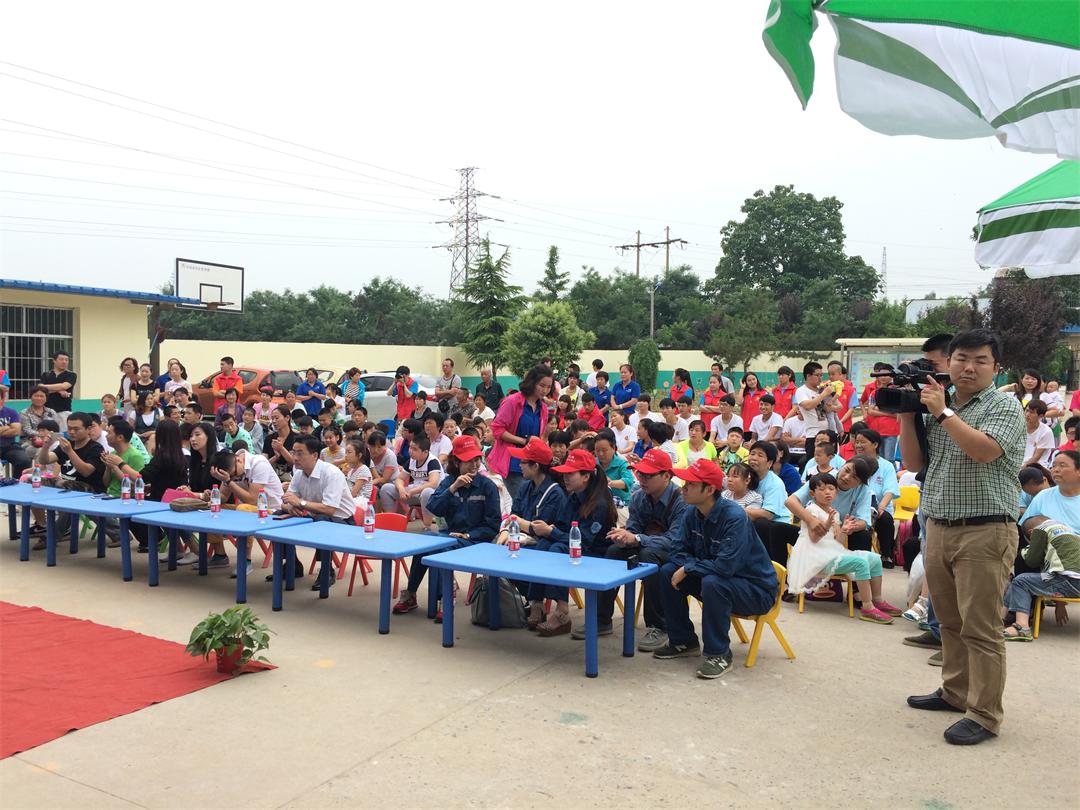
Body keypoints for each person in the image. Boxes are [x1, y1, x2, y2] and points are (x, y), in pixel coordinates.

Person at [901, 329, 1025, 746]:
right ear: (949, 362)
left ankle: (985, 714)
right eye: (961, 358)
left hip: (986, 530)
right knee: (950, 622)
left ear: (996, 367)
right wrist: (907, 414)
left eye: (980, 360)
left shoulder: (1003, 405)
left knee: (981, 628)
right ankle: (955, 692)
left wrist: (941, 413)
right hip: (939, 526)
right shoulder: (940, 403)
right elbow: (914, 462)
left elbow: (984, 451)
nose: (969, 367)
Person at [653, 459, 778, 679]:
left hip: (755, 590)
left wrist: (689, 567)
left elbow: (725, 566)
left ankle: (719, 654)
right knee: (667, 572)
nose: (683, 488)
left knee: (714, 582)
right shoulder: (692, 512)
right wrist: (688, 566)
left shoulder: (734, 517)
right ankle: (683, 641)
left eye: (691, 484)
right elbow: (676, 550)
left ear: (710, 489)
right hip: (716, 577)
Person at [394, 435, 501, 618]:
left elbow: (493, 525)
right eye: (469, 461)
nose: (475, 465)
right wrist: (453, 488)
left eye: (477, 459)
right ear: (457, 462)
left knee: (439, 548)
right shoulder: (450, 481)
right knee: (425, 543)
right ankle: (411, 593)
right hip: (450, 536)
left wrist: (469, 535)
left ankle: (445, 597)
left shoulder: (487, 486)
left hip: (476, 540)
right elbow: (434, 507)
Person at [600, 448, 688, 650]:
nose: (642, 479)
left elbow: (675, 540)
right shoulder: (639, 496)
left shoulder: (681, 501)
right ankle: (601, 619)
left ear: (666, 476)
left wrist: (637, 538)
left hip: (675, 553)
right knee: (614, 551)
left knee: (649, 557)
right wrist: (624, 537)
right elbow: (634, 527)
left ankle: (659, 625)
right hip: (645, 545)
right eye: (640, 474)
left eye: (649, 475)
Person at [785, 473, 902, 623]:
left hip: (830, 553)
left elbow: (837, 543)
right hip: (814, 558)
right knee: (860, 563)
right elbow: (814, 539)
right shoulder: (812, 510)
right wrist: (827, 524)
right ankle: (867, 607)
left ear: (836, 492)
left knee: (875, 559)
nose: (827, 492)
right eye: (822, 489)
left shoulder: (834, 513)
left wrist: (844, 530)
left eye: (831, 488)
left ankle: (877, 600)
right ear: (812, 494)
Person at [526, 449, 617, 636]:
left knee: (557, 550)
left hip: (596, 553)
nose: (565, 477)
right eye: (564, 473)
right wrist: (548, 530)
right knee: (541, 546)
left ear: (585, 477)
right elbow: (562, 525)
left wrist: (551, 531)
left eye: (570, 473)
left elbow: (583, 542)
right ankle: (536, 602)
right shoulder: (573, 496)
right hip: (574, 546)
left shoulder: (599, 504)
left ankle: (562, 611)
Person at [282, 436, 358, 587]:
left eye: (300, 453)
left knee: (321, 520)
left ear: (315, 455)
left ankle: (327, 570)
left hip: (343, 522)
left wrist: (300, 503)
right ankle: (292, 564)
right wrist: (291, 507)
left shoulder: (331, 473)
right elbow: (286, 501)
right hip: (314, 517)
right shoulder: (299, 473)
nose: (295, 457)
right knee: (280, 516)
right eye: (293, 452)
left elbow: (329, 509)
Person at [1001, 520, 1080, 641]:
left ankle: (1021, 627)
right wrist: (1060, 604)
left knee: (1021, 581)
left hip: (1071, 582)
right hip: (1072, 581)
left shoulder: (1040, 529)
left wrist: (1028, 549)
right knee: (1019, 581)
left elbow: (1032, 561)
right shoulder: (1068, 530)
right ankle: (999, 619)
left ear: (1031, 532)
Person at [488, 364, 553, 499]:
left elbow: (539, 436)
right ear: (532, 382)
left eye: (548, 387)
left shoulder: (543, 408)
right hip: (512, 462)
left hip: (532, 463)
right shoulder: (512, 401)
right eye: (542, 385)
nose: (545, 390)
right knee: (522, 503)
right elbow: (497, 430)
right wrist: (524, 441)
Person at [854, 429, 901, 568]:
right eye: (857, 442)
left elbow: (890, 490)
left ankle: (886, 555)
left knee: (884, 518)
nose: (858, 445)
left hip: (879, 506)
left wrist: (880, 507)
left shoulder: (886, 466)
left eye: (862, 442)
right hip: (857, 507)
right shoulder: (852, 464)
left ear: (875, 444)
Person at [384, 433, 443, 530]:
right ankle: (390, 521)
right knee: (386, 488)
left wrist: (412, 491)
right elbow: (399, 479)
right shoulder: (412, 460)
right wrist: (401, 489)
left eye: (415, 449)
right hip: (414, 493)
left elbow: (433, 484)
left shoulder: (433, 462)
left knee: (427, 491)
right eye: (410, 447)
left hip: (433, 496)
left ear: (425, 452)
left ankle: (427, 526)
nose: (410, 451)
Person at [794, 362, 837, 457]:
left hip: (828, 433)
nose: (820, 378)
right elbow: (808, 405)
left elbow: (837, 407)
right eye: (817, 375)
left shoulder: (821, 389)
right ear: (808, 376)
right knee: (814, 462)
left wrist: (831, 405)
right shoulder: (801, 390)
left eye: (821, 375)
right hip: (813, 435)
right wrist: (824, 394)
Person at [861, 363, 901, 463]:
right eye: (881, 375)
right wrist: (889, 413)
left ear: (891, 376)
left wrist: (878, 409)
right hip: (876, 430)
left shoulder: (897, 391)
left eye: (886, 375)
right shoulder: (874, 392)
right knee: (879, 458)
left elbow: (897, 411)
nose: (883, 377)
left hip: (891, 431)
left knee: (889, 459)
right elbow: (870, 411)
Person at [594, 428, 633, 521]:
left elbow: (628, 481)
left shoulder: (622, 463)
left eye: (604, 450)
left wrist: (610, 483)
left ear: (614, 448)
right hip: (598, 504)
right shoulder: (593, 464)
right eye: (597, 450)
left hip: (620, 506)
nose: (600, 454)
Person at [39, 350, 76, 430]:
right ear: (54, 360)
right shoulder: (46, 375)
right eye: (61, 359)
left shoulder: (71, 375)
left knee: (64, 434)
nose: (64, 362)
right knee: (47, 434)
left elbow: (64, 386)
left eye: (66, 360)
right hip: (47, 411)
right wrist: (59, 390)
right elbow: (40, 389)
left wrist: (47, 388)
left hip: (64, 411)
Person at [263, 404, 298, 479]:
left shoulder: (297, 439)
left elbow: (295, 463)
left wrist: (281, 448)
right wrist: (276, 457)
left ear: (287, 418)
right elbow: (263, 464)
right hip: (272, 477)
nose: (274, 421)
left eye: (277, 418)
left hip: (293, 478)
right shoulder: (269, 439)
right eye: (272, 418)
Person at [0, 392, 30, 477]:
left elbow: (16, 431)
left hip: (9, 446)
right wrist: (7, 427)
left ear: (2, 399)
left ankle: (17, 481)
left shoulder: (11, 412)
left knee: (24, 461)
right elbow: (13, 429)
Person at [826, 361, 859, 433]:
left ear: (842, 374)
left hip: (844, 427)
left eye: (833, 374)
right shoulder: (826, 388)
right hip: (827, 428)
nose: (831, 376)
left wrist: (839, 422)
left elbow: (851, 409)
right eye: (829, 374)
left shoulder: (851, 390)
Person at [1022, 399, 1055, 467]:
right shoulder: (1019, 426)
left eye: (1032, 412)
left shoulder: (1046, 432)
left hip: (1036, 466)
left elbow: (1036, 457)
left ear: (1041, 416)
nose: (1027, 414)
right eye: (1027, 410)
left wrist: (1021, 469)